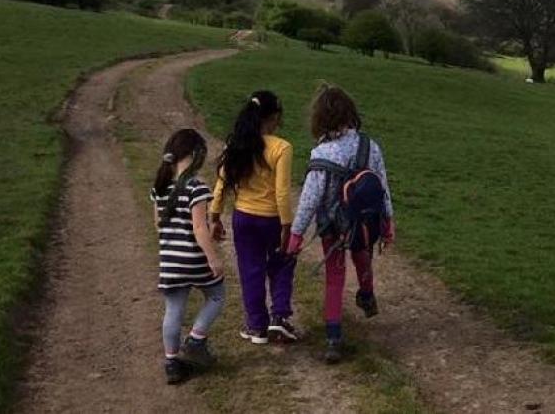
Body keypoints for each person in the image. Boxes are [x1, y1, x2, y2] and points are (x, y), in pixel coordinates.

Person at [287, 84, 395, 364]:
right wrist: (388, 222)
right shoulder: (371, 146)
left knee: (334, 278)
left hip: (332, 226)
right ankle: (367, 293)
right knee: (363, 258)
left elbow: (310, 198)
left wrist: (297, 234)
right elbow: (381, 185)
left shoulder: (322, 153)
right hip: (364, 221)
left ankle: (334, 337)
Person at [210, 90, 298, 344]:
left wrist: (215, 217)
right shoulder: (282, 147)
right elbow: (282, 192)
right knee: (282, 263)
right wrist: (286, 224)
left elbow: (222, 182)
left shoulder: (236, 144)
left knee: (251, 270)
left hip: (243, 218)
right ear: (274, 117)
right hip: (271, 219)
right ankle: (279, 317)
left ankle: (256, 326)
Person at [151, 128, 225, 385]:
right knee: (216, 294)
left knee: (173, 310)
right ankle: (196, 339)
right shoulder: (196, 186)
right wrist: (213, 258)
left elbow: (158, 226)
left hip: (170, 262)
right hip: (194, 259)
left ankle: (172, 363)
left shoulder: (159, 187)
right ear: (194, 155)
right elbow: (199, 228)